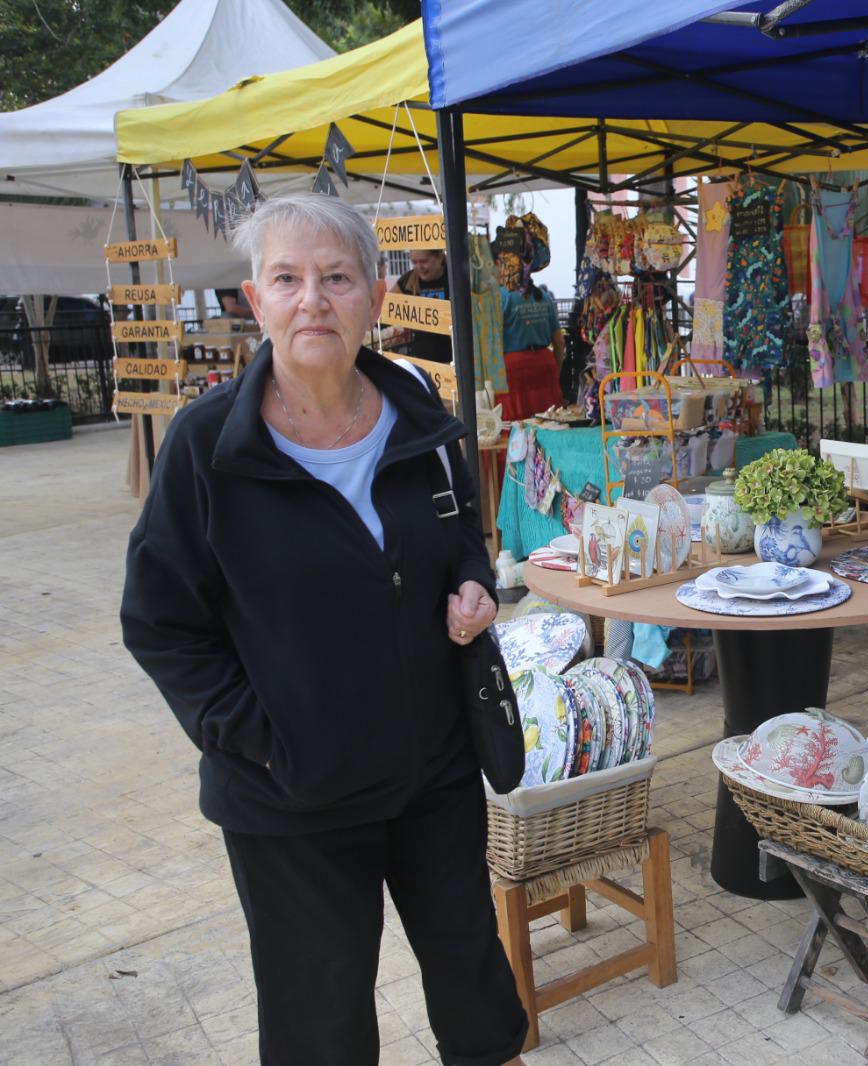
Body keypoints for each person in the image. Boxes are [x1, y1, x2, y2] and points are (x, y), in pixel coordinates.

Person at [120, 193, 527, 1066]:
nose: (315, 300)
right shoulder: (204, 449)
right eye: (289, 279)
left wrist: (471, 584)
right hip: (292, 798)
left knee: (475, 992)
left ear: (376, 295)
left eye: (337, 277)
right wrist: (263, 739)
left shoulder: (420, 415)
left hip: (435, 775)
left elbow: (462, 541)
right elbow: (160, 624)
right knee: (321, 1023)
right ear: (253, 299)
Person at [500, 279, 566, 420]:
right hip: (544, 368)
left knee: (514, 428)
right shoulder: (544, 297)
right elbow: (559, 343)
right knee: (549, 425)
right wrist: (555, 373)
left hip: (513, 373)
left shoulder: (501, 297)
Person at [394, 248, 453, 363]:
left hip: (451, 359)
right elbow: (386, 305)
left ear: (440, 257)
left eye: (424, 261)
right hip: (421, 358)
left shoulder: (453, 277)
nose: (419, 267)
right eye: (414, 262)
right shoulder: (408, 280)